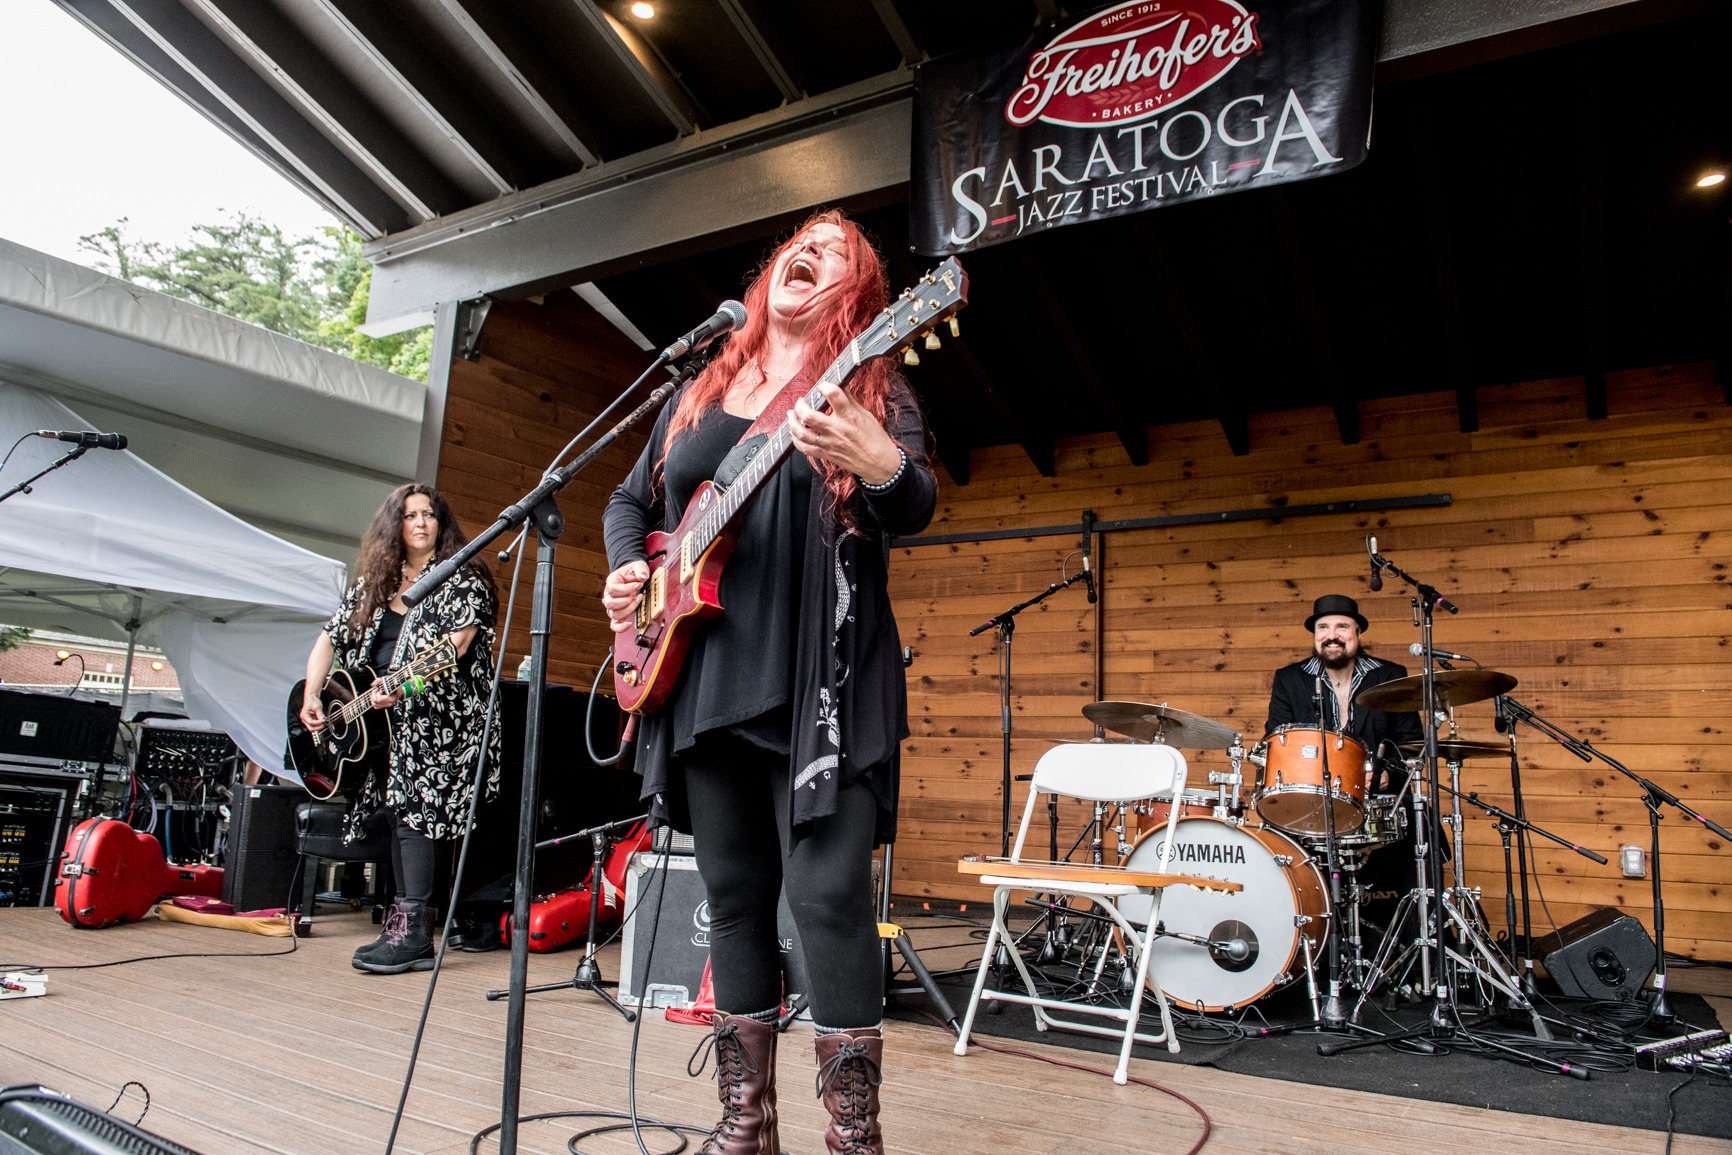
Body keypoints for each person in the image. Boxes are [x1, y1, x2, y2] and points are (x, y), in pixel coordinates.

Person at [601, 210, 935, 1155]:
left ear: (857, 295)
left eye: (837, 253)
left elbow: (913, 502)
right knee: (736, 893)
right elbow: (633, 501)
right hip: (702, 670)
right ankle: (745, 1127)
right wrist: (635, 572)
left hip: (819, 675)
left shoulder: (868, 380)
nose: (811, 252)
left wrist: (882, 464)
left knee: (827, 894)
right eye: (803, 242)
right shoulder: (703, 387)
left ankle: (851, 1138)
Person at [300, 484, 502, 974]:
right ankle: (402, 926)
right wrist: (312, 694)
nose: (419, 522)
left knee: (414, 815)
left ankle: (413, 933)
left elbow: (452, 649)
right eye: (409, 515)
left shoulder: (462, 578)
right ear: (395, 526)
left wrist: (406, 684)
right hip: (384, 722)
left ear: (441, 523)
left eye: (429, 514)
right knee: (395, 813)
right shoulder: (376, 584)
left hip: (442, 722)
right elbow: (329, 637)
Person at [1265, 593, 1424, 936]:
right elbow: (1277, 741)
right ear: (1315, 636)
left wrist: (1386, 775)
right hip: (1311, 805)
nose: (1331, 634)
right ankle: (1300, 945)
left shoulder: (1390, 676)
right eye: (1322, 627)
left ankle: (1408, 944)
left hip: (1377, 805)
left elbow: (1411, 744)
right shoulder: (1290, 679)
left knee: (1420, 832)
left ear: (1357, 633)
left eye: (1341, 626)